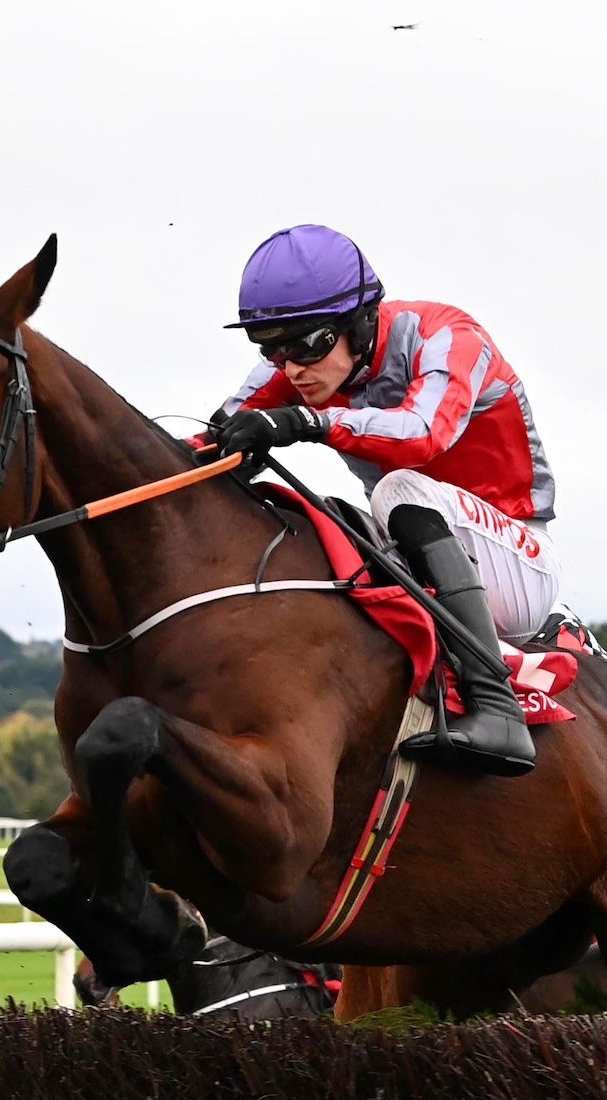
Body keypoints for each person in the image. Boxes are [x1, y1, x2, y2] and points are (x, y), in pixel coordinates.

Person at [207, 224, 562, 778]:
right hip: (425, 549)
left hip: (519, 562)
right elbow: (210, 439)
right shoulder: (298, 367)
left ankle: (499, 710)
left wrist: (307, 423)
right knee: (325, 523)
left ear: (361, 322)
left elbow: (423, 434)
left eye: (307, 344)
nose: (291, 367)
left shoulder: (449, 337)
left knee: (398, 487)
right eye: (272, 349)